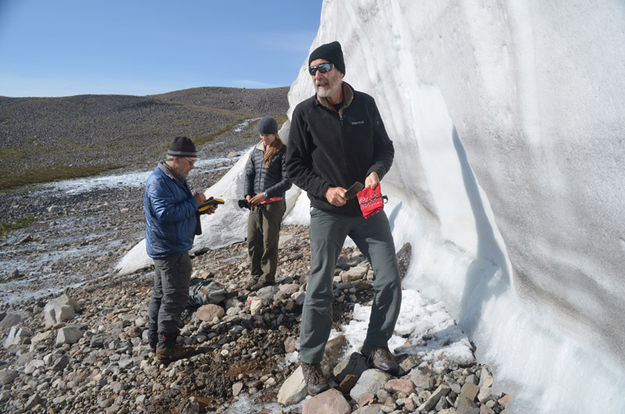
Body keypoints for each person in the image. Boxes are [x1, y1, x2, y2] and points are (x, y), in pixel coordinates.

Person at [286, 41, 402, 394]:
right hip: (328, 211)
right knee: (320, 286)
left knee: (389, 276)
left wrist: (375, 172)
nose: (317, 76)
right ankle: (310, 360)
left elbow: (385, 148)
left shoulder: (365, 104)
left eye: (323, 68)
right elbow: (293, 166)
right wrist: (324, 190)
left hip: (367, 206)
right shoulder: (305, 114)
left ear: (340, 71)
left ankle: (375, 345)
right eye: (312, 70)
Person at [144, 136, 217, 364]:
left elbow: (176, 209)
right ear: (176, 159)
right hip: (170, 248)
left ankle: (156, 340)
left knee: (161, 294)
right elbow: (165, 215)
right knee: (175, 297)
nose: (193, 166)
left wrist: (200, 209)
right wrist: (194, 203)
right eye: (190, 161)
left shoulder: (173, 177)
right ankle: (166, 346)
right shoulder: (159, 181)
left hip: (169, 246)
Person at [244, 116, 291, 290]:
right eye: (262, 135)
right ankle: (255, 275)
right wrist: (248, 194)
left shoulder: (283, 152)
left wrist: (265, 194)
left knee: (269, 242)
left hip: (274, 204)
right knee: (253, 240)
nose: (264, 138)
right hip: (256, 203)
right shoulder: (255, 152)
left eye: (268, 135)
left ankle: (268, 278)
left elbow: (287, 182)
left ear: (275, 134)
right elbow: (249, 174)